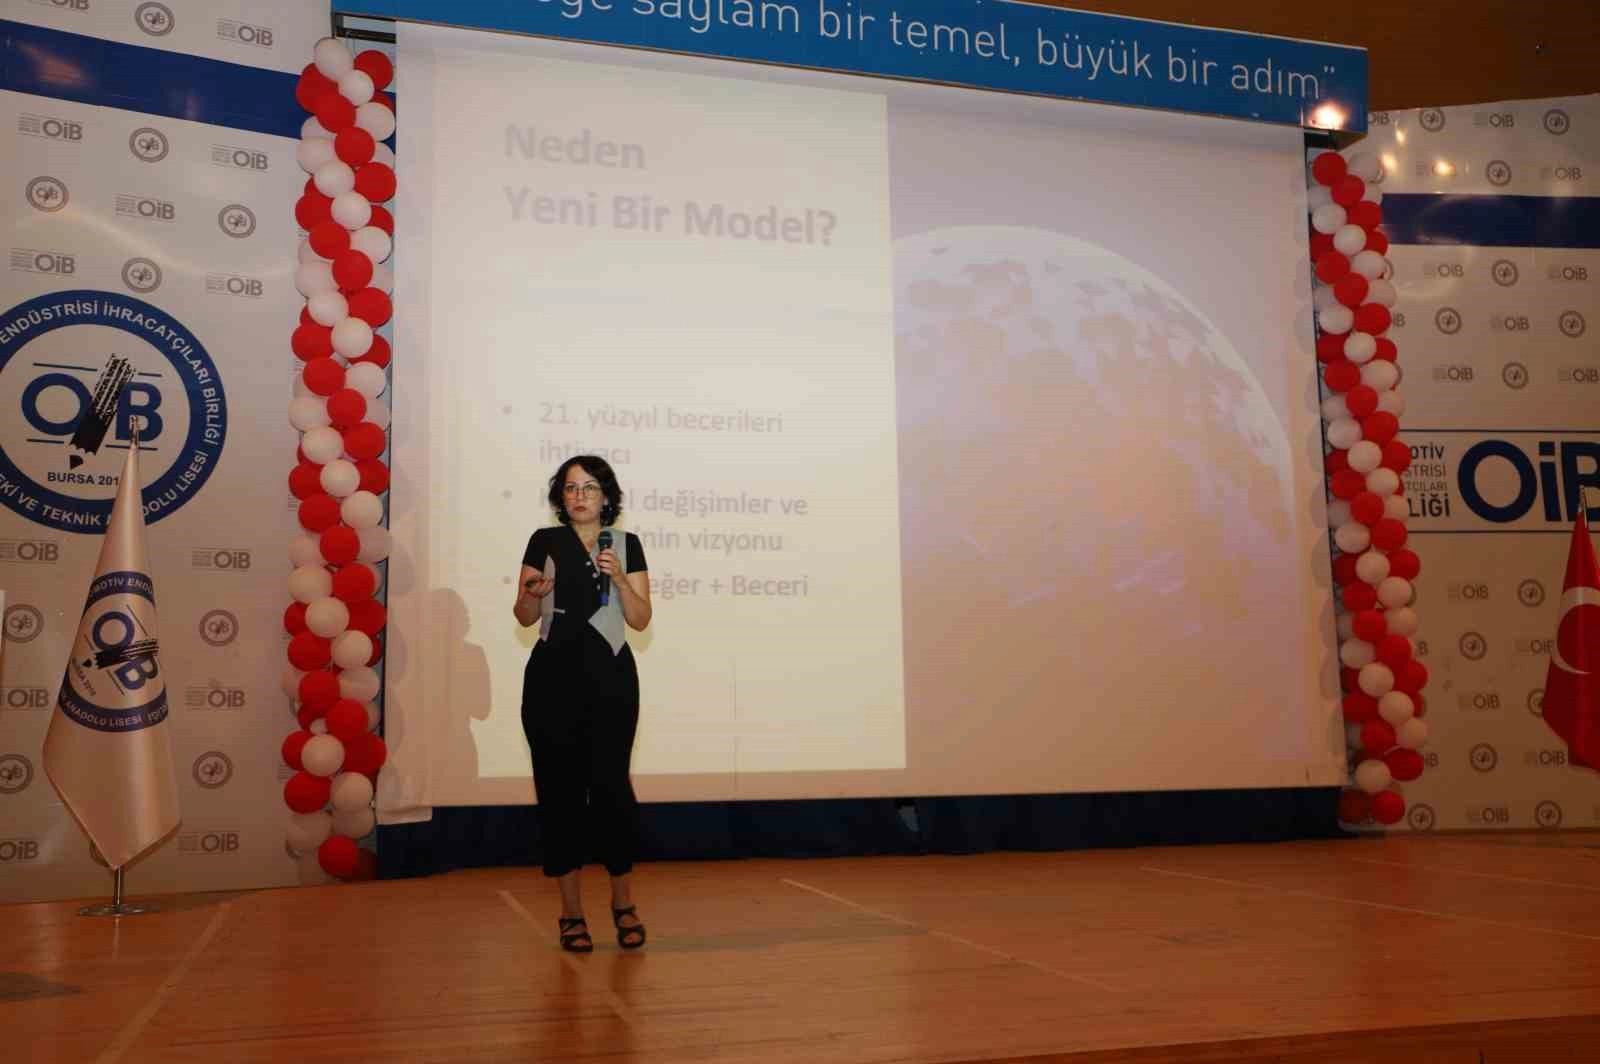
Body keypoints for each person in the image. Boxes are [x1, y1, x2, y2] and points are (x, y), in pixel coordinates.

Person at [514, 455, 652, 952]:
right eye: (571, 488)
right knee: (559, 792)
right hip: (552, 678)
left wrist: (620, 580)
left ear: (606, 496)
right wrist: (534, 594)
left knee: (612, 789)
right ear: (561, 496)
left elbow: (640, 619)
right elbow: (524, 614)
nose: (579, 496)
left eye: (590, 487)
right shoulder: (544, 541)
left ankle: (623, 903)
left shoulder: (626, 545)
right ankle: (571, 913)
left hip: (611, 679)